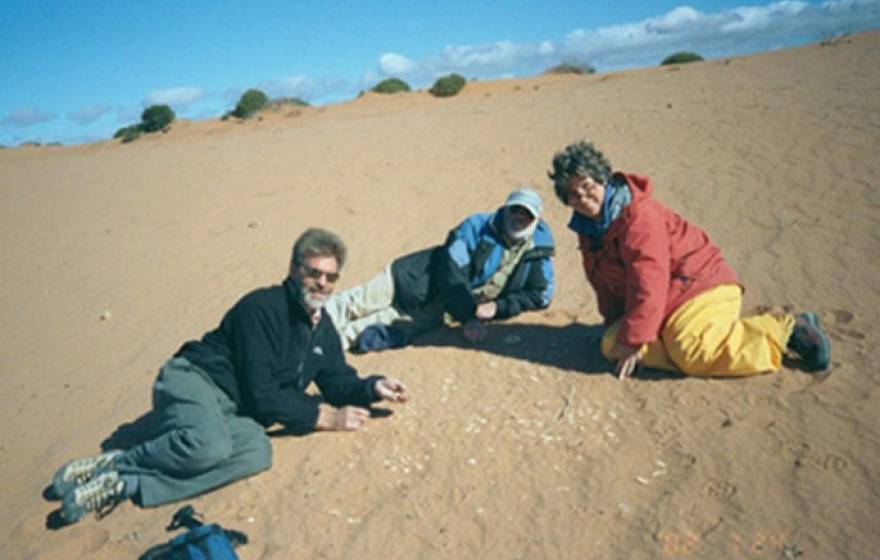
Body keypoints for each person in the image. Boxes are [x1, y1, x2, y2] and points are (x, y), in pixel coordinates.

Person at [48, 228, 410, 525]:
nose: (321, 283)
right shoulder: (261, 308)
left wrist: (372, 387)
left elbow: (336, 380)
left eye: (330, 277)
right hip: (196, 380)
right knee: (210, 445)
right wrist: (324, 417)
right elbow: (262, 391)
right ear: (293, 269)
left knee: (256, 453)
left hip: (238, 409)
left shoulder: (324, 329)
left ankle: (124, 482)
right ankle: (117, 459)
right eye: (313, 272)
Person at [548, 141, 831, 380]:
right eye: (572, 194)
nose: (583, 197)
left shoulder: (639, 218)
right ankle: (684, 338)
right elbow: (605, 283)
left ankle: (785, 330)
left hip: (699, 284)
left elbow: (649, 279)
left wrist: (635, 339)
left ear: (603, 179)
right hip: (665, 299)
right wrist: (617, 325)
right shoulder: (591, 229)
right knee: (611, 343)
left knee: (692, 352)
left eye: (587, 186)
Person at [325, 189, 555, 352]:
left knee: (366, 328)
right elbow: (452, 272)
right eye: (515, 210)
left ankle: (315, 351)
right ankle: (295, 324)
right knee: (353, 303)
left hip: (437, 310)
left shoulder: (538, 250)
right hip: (409, 279)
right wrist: (468, 318)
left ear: (536, 220)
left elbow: (540, 295)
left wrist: (498, 307)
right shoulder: (475, 227)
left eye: (527, 215)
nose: (519, 218)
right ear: (505, 210)